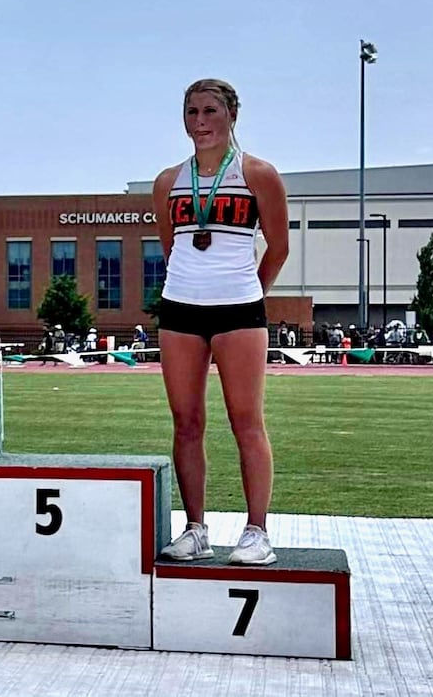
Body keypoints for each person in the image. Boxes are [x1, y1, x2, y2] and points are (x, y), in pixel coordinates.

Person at [152, 79, 289, 566]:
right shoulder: (169, 181)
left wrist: (248, 291)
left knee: (246, 421)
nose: (200, 121)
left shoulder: (258, 174)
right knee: (186, 422)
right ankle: (195, 529)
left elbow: (279, 246)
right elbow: (171, 247)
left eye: (210, 110)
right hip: (180, 310)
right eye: (191, 112)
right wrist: (193, 285)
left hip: (239, 311)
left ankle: (256, 532)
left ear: (232, 115)